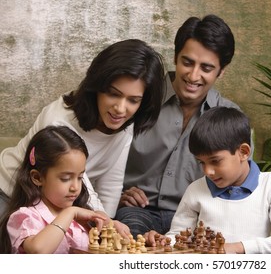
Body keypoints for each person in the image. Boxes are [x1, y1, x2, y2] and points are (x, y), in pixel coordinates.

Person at [0, 39, 165, 236]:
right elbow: (82, 186)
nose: (121, 109)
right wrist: (104, 221)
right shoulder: (58, 121)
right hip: (9, 194)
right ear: (97, 87)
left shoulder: (124, 125)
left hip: (56, 207)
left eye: (133, 100)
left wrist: (107, 225)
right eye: (113, 94)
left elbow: (110, 183)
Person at [115, 14, 246, 237]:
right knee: (130, 247)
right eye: (187, 62)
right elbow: (100, 155)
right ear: (175, 57)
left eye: (206, 68)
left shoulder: (229, 117)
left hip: (197, 217)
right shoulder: (139, 99)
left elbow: (240, 182)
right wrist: (117, 195)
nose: (193, 75)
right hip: (137, 212)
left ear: (221, 71)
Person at [147, 107, 271, 254]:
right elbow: (180, 236)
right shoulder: (195, 190)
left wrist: (237, 247)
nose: (208, 171)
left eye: (215, 161)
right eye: (202, 162)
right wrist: (164, 240)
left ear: (243, 152)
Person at [0, 125, 107, 253]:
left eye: (80, 177)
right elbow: (38, 251)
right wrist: (69, 213)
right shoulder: (26, 217)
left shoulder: (81, 219)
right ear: (37, 177)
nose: (76, 187)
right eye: (66, 178)